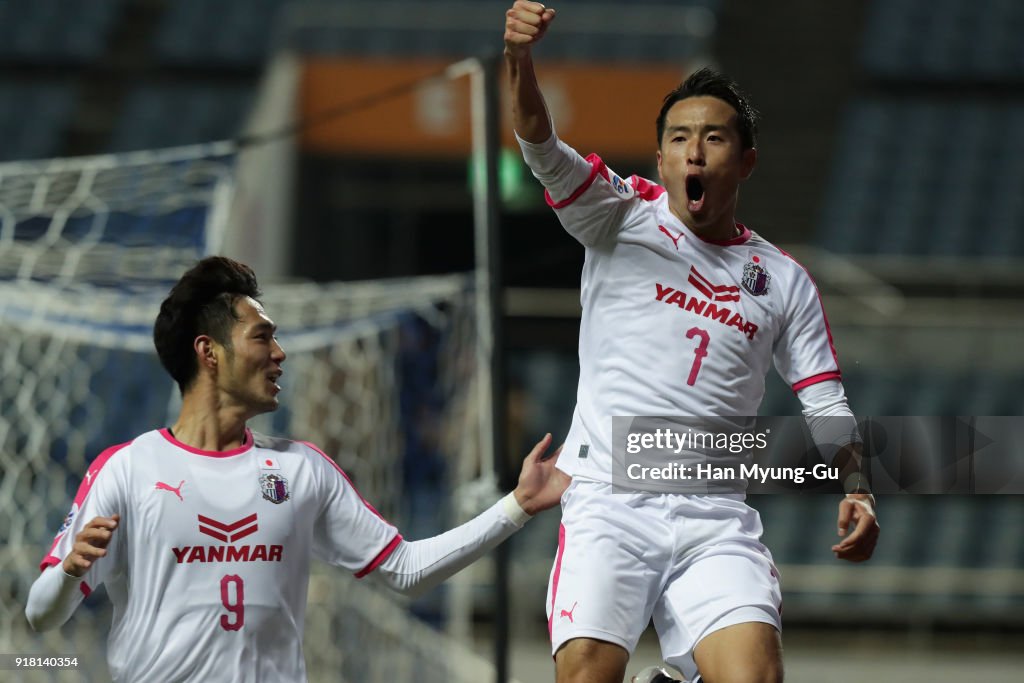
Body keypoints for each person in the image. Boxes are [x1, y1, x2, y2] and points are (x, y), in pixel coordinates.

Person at [503, 3, 880, 683]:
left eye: (713, 137)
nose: (694, 151)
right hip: (611, 499)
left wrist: (857, 483)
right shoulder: (619, 217)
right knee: (586, 671)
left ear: (748, 160)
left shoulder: (784, 281)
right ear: (661, 157)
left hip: (713, 511)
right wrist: (519, 60)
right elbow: (537, 140)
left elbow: (824, 399)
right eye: (679, 138)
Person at [26, 256, 570, 682]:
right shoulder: (127, 469)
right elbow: (41, 616)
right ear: (208, 353)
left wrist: (516, 506)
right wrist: (71, 571)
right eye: (262, 337)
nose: (281, 352)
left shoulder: (302, 470)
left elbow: (404, 571)